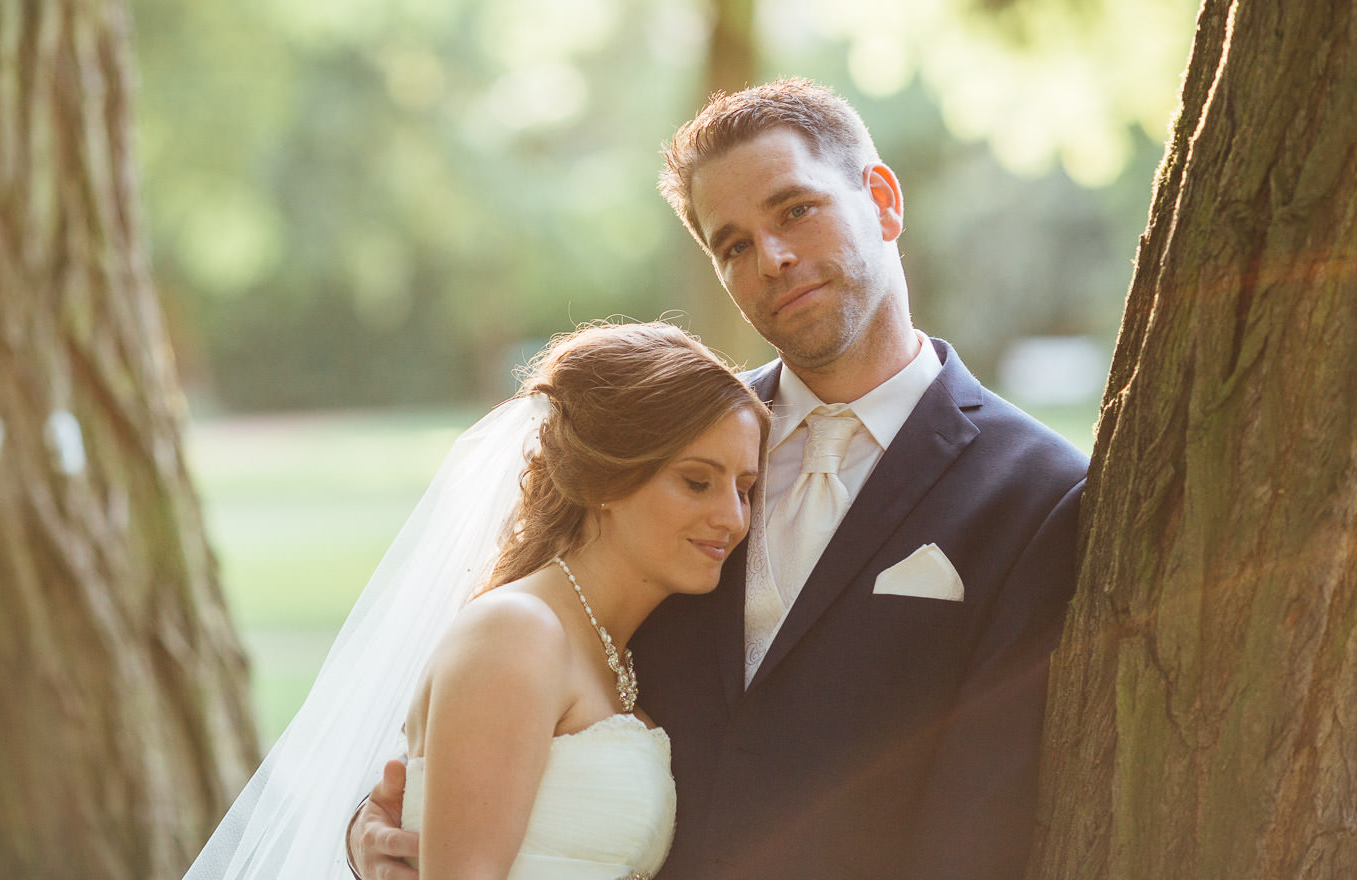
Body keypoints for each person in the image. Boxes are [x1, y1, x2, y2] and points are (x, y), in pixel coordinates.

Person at [351, 79, 1089, 880]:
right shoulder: (674, 445)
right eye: (732, 245)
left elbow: (984, 821)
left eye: (795, 211)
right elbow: (514, 661)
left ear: (881, 200)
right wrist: (386, 827)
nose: (772, 258)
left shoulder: (1039, 492)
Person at [183, 321, 771, 880]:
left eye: (744, 489)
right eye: (697, 482)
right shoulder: (518, 632)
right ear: (604, 480)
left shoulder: (606, 645)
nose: (732, 518)